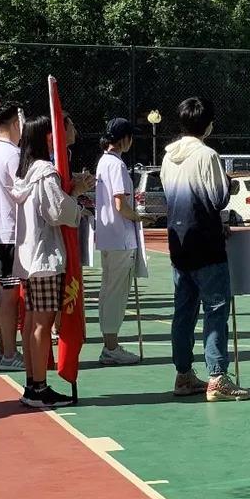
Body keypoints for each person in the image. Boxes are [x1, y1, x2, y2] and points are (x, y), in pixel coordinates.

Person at [161, 97, 250, 400]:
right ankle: (217, 376)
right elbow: (218, 197)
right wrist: (229, 184)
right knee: (215, 309)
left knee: (183, 311)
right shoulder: (207, 155)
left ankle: (183, 374)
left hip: (178, 242)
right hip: (206, 244)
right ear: (208, 125)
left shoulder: (168, 157)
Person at [11, 115, 92, 408]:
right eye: (65, 126)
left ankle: (33, 384)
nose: (70, 130)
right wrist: (77, 201)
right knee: (42, 324)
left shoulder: (28, 170)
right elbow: (57, 211)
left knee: (34, 320)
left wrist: (72, 191)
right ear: (50, 136)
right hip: (45, 258)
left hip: (30, 257)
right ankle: (38, 387)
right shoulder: (45, 171)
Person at [94, 118, 144, 365]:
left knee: (108, 290)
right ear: (124, 139)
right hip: (120, 238)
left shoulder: (103, 161)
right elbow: (120, 204)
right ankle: (111, 346)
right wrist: (138, 217)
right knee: (116, 293)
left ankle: (110, 343)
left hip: (108, 237)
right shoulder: (117, 164)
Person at [0, 101, 26, 370]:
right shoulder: (12, 153)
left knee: (3, 291)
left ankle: (3, 351)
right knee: (9, 294)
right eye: (21, 121)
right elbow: (21, 190)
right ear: (14, 124)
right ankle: (9, 353)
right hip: (10, 231)